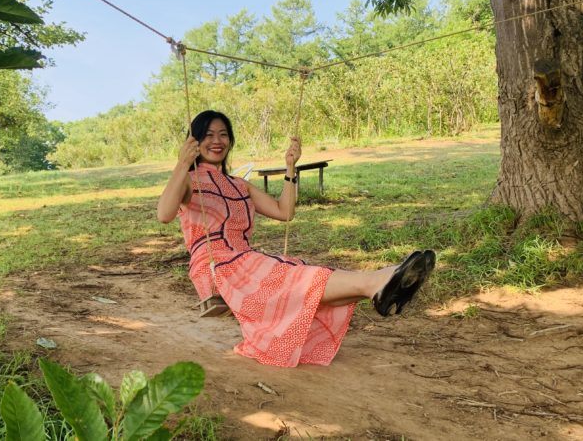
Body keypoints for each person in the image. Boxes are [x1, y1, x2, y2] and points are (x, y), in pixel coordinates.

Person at [157, 110, 435, 367]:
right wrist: (182, 165)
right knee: (288, 275)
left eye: (223, 134)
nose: (217, 141)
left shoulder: (240, 185)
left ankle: (380, 285)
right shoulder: (189, 181)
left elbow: (284, 211)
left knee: (298, 271)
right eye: (208, 135)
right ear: (194, 141)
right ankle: (380, 280)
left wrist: (290, 167)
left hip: (245, 260)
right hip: (217, 265)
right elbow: (165, 214)